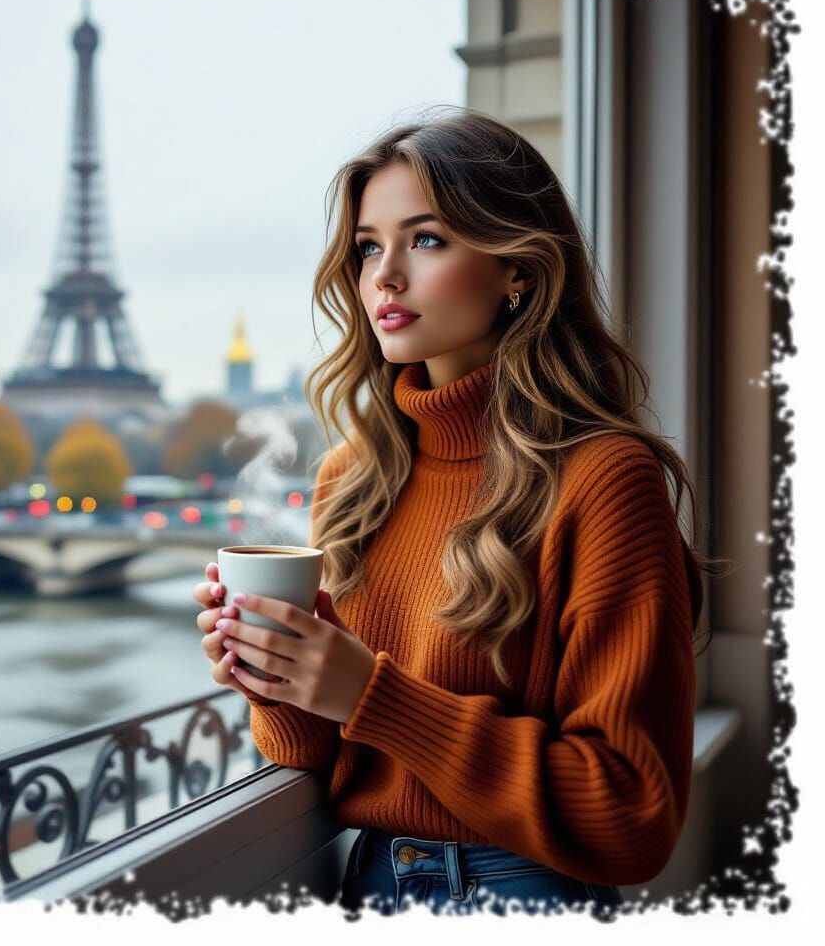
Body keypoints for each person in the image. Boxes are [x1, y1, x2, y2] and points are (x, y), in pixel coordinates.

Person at [192, 107, 724, 917]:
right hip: (366, 889)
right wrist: (277, 679)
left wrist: (371, 692)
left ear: (520, 269)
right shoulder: (352, 478)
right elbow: (323, 760)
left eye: (427, 239)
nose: (384, 276)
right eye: (369, 246)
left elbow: (632, 816)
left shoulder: (603, 480)